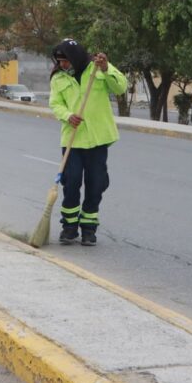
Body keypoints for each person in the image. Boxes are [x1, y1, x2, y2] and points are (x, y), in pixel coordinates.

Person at [48, 39, 127, 246]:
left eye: (66, 61)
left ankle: (89, 229)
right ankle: (69, 227)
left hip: (98, 139)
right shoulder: (58, 78)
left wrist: (106, 67)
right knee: (71, 181)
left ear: (75, 57)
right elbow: (55, 104)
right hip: (73, 140)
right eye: (59, 61)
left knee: (96, 184)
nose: (63, 65)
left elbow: (120, 87)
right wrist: (67, 115)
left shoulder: (98, 68)